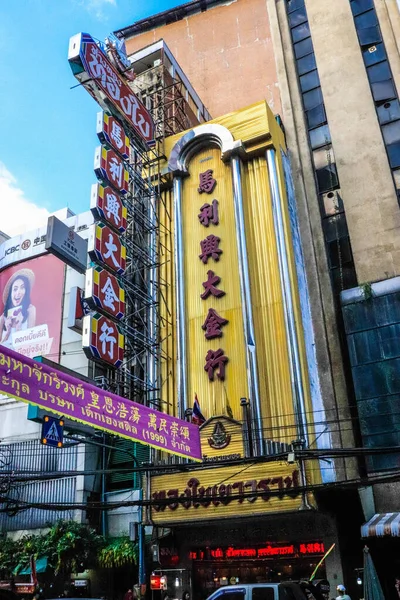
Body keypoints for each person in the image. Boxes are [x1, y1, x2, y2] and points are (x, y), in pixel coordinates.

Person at [0, 269, 36, 345]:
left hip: (20, 355)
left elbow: (30, 345)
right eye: (15, 289)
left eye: (22, 288)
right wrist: (7, 333)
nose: (18, 292)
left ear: (26, 291)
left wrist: (19, 329)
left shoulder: (30, 310)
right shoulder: (3, 318)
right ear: (10, 294)